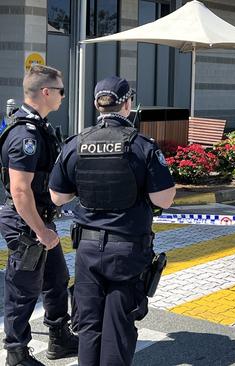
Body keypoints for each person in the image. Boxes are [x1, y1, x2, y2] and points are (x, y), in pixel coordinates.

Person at [48, 76, 176, 366]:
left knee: (89, 325)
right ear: (127, 104)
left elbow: (57, 196)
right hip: (128, 251)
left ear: (96, 104)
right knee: (118, 326)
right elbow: (164, 199)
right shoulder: (142, 145)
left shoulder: (75, 143)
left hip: (88, 250)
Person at [0, 64, 78, 366]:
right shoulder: (25, 135)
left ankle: (59, 338)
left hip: (39, 219)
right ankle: (16, 354)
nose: (63, 96)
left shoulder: (39, 128)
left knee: (56, 279)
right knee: (23, 289)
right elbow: (20, 191)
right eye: (60, 91)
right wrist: (41, 231)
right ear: (46, 92)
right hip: (26, 222)